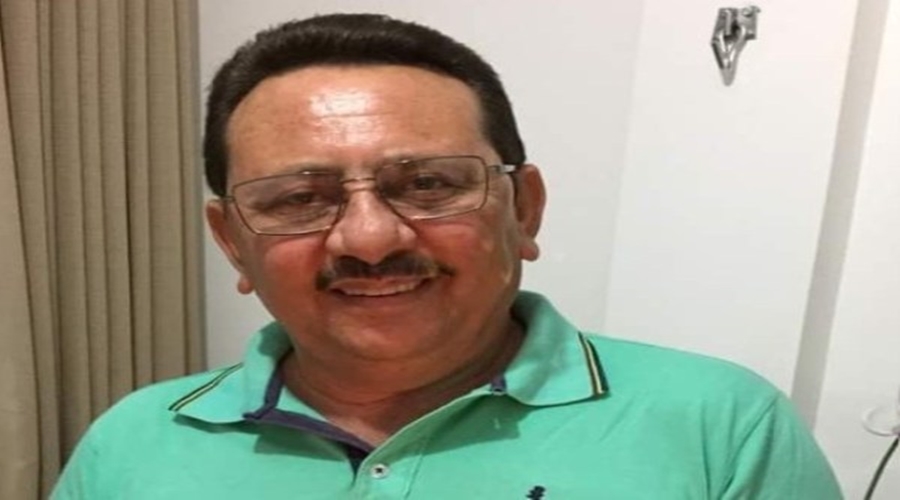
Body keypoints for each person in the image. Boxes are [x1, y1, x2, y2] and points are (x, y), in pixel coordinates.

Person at [52, 13, 842, 499]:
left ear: (523, 208)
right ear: (232, 241)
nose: (370, 239)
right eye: (298, 198)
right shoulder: (132, 444)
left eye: (428, 184)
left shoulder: (720, 428)